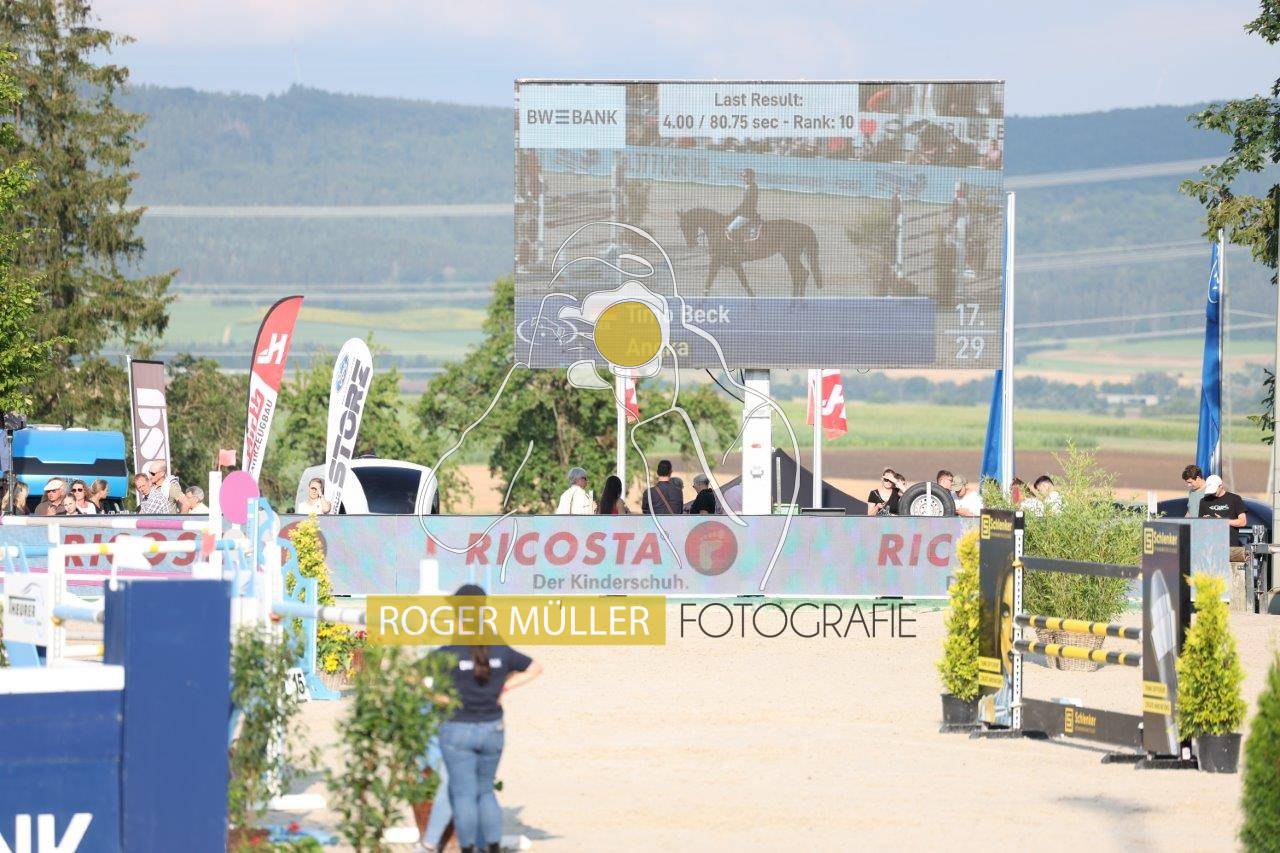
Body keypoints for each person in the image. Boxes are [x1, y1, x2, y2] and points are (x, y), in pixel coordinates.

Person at [436, 585, 542, 853]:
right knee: (485, 791)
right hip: (492, 727)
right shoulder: (499, 648)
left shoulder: (450, 650)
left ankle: (468, 848)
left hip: (458, 726)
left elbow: (413, 676)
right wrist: (503, 688)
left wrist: (441, 698)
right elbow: (535, 668)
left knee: (463, 795)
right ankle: (493, 847)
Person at [1197, 475, 1250, 563]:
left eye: (1214, 490)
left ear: (1221, 486)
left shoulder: (1235, 499)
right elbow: (1199, 526)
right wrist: (1205, 522)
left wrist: (1223, 522)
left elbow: (1243, 522)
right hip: (1210, 548)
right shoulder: (1204, 501)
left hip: (1230, 548)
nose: (1212, 493)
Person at [726, 168, 760, 242]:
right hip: (746, 212)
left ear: (752, 177)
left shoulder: (752, 188)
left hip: (747, 214)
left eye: (746, 176)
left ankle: (736, 245)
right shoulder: (749, 186)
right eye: (743, 176)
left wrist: (734, 212)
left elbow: (746, 203)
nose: (744, 178)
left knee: (730, 229)